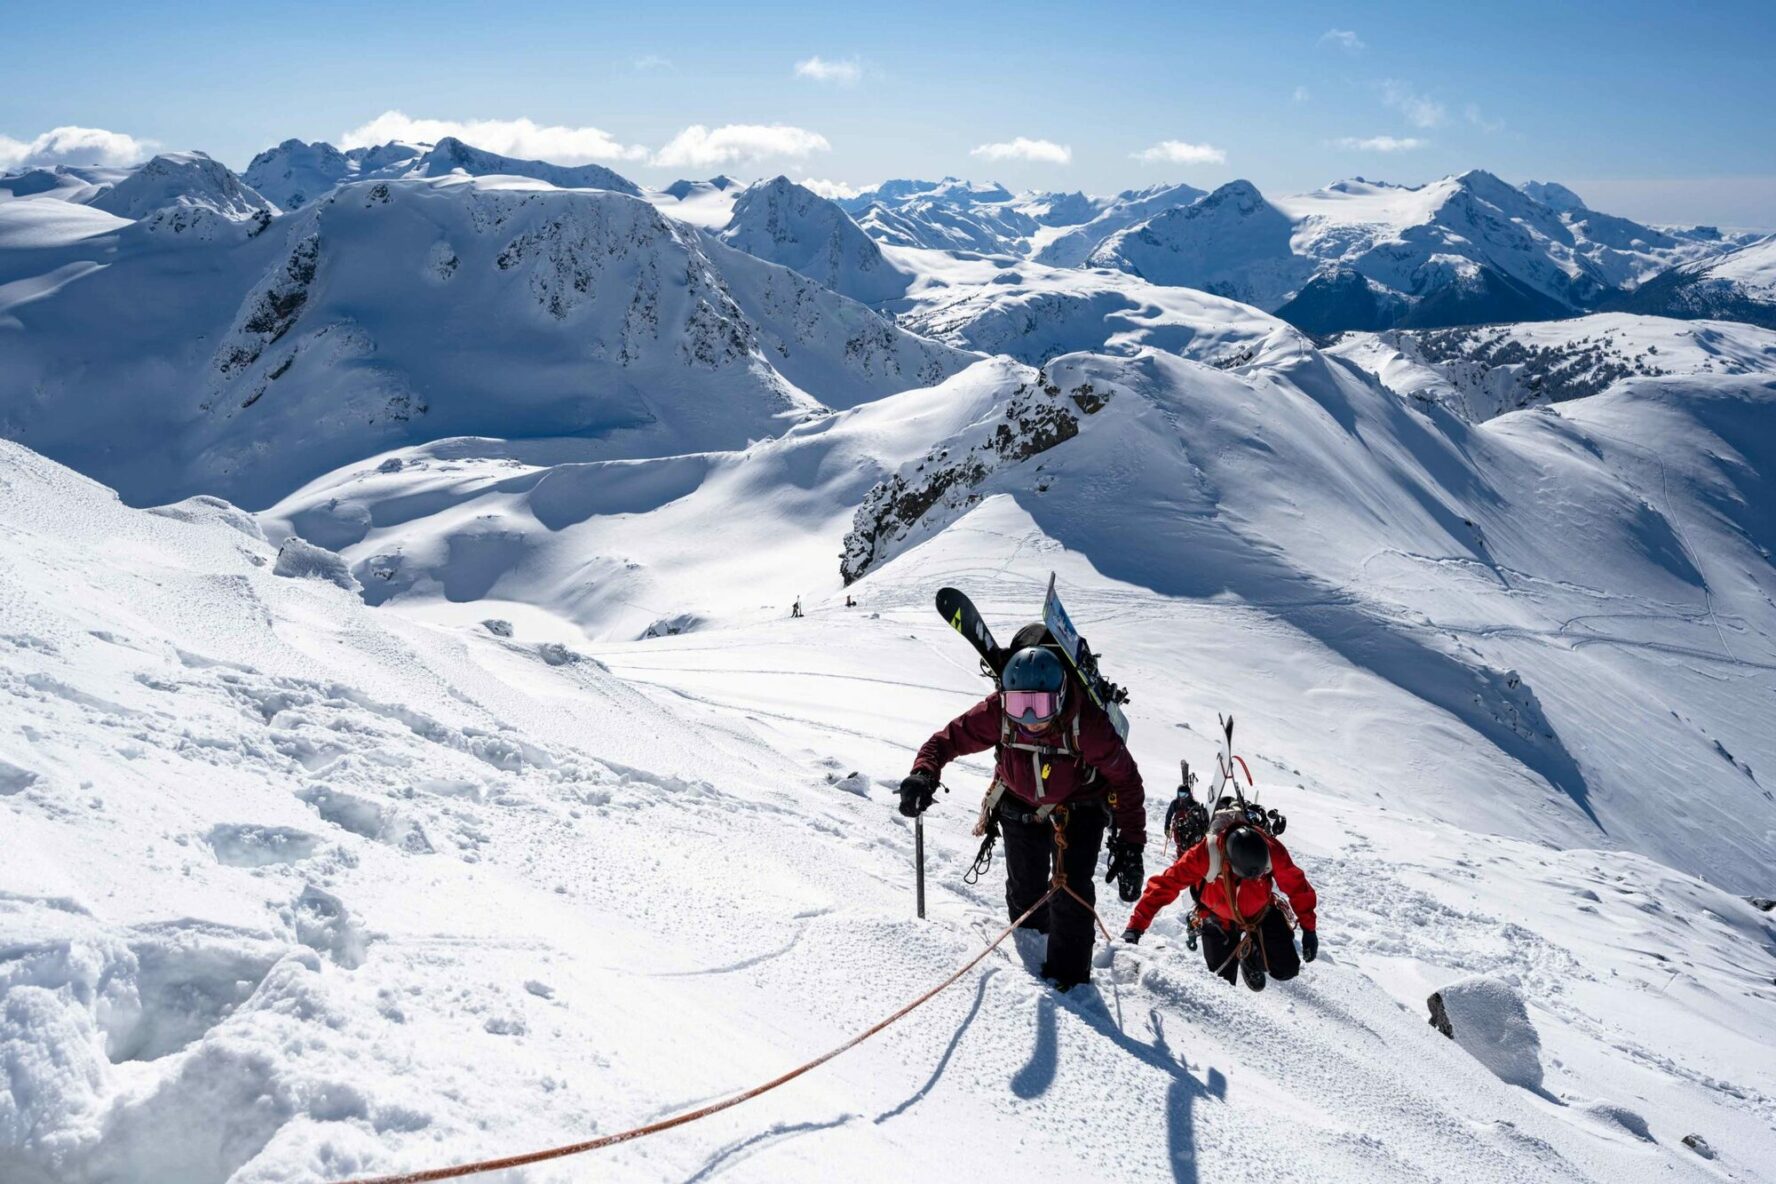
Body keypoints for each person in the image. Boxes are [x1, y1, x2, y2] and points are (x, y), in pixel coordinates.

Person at [899, 641, 1145, 990]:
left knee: (1071, 891)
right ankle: (1031, 947)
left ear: (1060, 696)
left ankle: (1070, 984)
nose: (1030, 718)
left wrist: (1132, 844)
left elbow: (1126, 779)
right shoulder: (998, 712)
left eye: (1040, 705)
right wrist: (924, 773)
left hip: (1080, 806)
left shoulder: (1086, 723)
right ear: (1005, 697)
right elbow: (948, 740)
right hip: (1017, 800)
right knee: (1024, 892)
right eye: (1019, 704)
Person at [1120, 819, 1317, 991]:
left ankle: (1250, 958)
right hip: (1218, 920)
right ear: (1229, 862)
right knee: (1221, 984)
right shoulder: (1205, 854)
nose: (1255, 878)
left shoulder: (1271, 850)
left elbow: (1297, 886)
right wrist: (1135, 926)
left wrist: (1309, 929)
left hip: (1260, 914)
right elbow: (1165, 885)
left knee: (1287, 968)